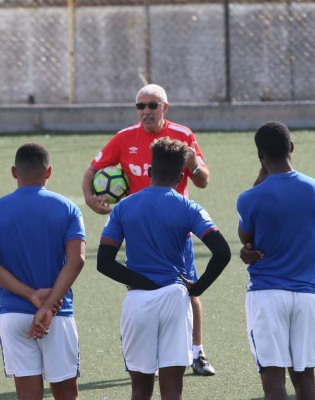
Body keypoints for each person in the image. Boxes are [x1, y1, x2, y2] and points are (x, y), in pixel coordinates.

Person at [82, 84, 216, 376]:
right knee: (139, 286)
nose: (145, 111)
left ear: (165, 108)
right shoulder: (124, 138)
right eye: (140, 106)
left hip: (176, 228)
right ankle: (147, 357)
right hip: (138, 228)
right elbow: (92, 170)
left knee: (189, 290)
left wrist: (193, 166)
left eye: (152, 105)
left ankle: (197, 352)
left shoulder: (183, 135)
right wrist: (90, 199)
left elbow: (203, 180)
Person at [97, 137, 230, 399]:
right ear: (181, 176)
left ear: (149, 171)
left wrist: (143, 282)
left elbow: (104, 263)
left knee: (140, 390)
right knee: (172, 391)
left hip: (138, 301)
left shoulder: (124, 207)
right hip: (175, 299)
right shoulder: (189, 207)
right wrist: (197, 287)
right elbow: (223, 252)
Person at [0, 143, 85, 400]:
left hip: (13, 315)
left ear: (14, 171)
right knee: (66, 394)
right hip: (58, 314)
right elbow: (77, 260)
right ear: (48, 172)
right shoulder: (67, 208)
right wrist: (48, 305)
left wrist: (31, 295)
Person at [236, 121, 315, 400]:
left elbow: (246, 237)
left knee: (273, 382)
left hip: (267, 295)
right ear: (292, 147)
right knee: (306, 380)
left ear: (260, 156)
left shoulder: (250, 197)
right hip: (306, 295)